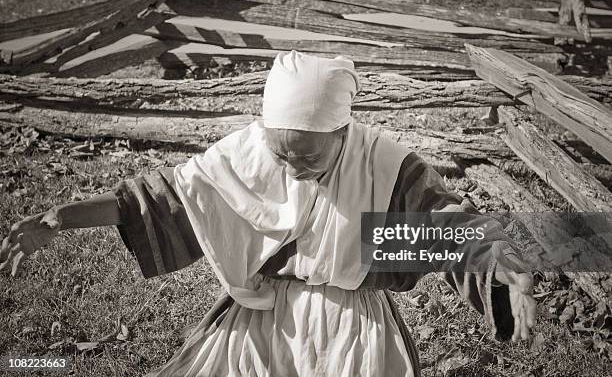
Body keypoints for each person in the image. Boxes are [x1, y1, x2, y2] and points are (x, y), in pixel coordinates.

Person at [1, 51, 536, 377]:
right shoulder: (250, 155)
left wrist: (497, 262)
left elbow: (448, 226)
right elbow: (163, 199)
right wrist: (62, 218)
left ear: (342, 133)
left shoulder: (385, 169)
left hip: (351, 321)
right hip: (263, 314)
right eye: (283, 153)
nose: (293, 166)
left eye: (309, 155)